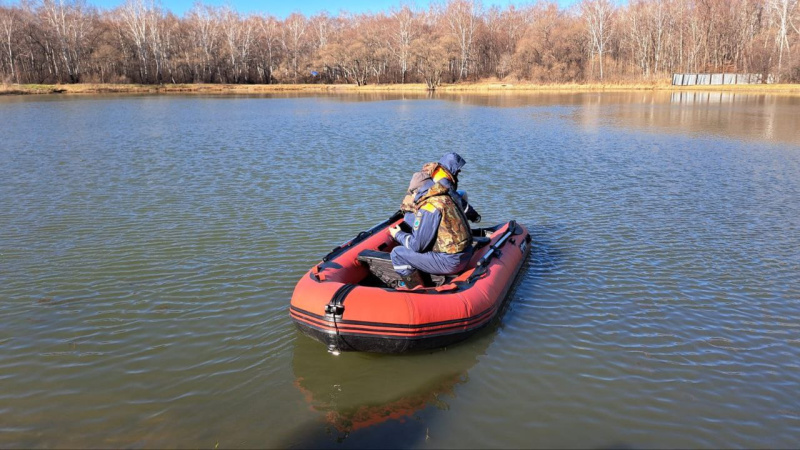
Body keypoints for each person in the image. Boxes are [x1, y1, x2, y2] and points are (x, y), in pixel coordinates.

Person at [388, 172, 474, 289]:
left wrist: (398, 234)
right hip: (466, 253)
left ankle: (416, 289)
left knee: (397, 253)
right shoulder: (447, 197)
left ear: (416, 191)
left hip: (451, 262)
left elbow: (416, 246)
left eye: (412, 192)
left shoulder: (429, 207)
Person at [400, 153, 481, 225]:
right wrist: (475, 217)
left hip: (409, 212)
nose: (459, 171)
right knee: (458, 197)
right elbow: (460, 202)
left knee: (460, 193)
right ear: (452, 168)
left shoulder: (430, 173)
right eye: (457, 170)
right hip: (422, 217)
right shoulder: (443, 181)